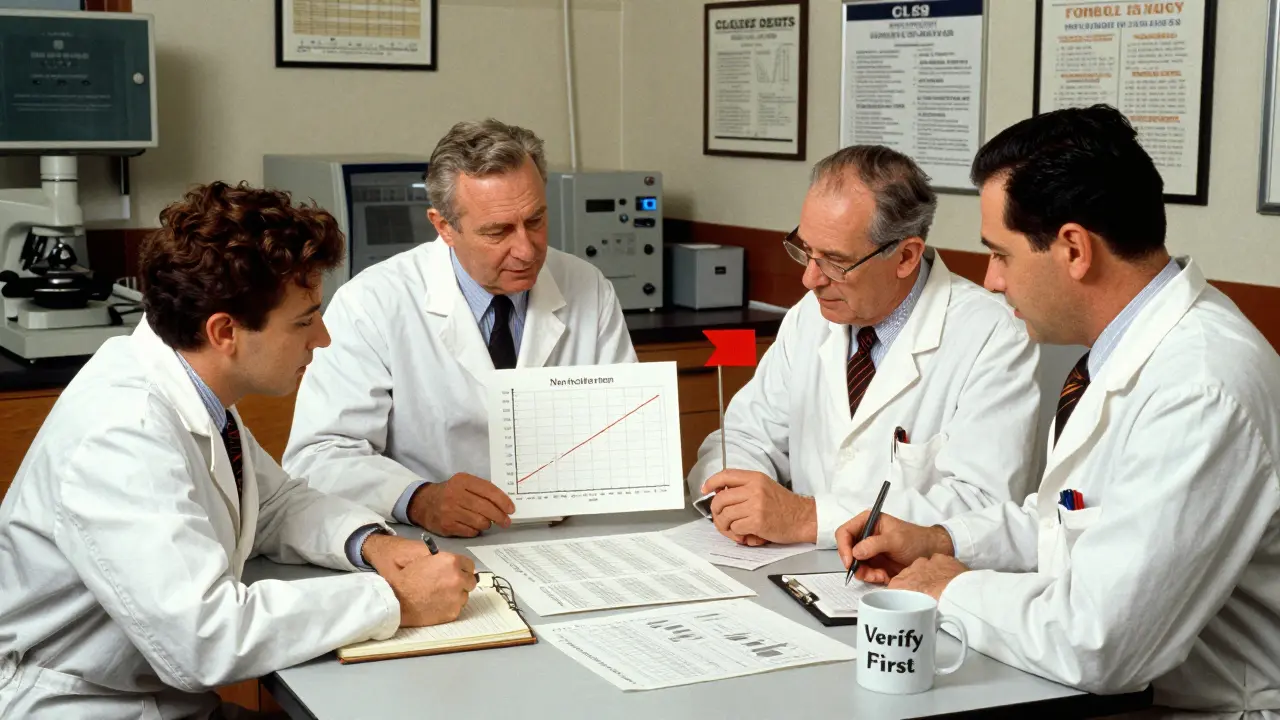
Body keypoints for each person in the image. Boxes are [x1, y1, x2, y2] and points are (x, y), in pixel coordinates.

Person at [838, 105, 1280, 717]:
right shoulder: (1125, 352)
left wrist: (950, 587)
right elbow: (1069, 525)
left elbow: (1101, 642)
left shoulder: (1200, 388)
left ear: (1073, 248)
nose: (992, 281)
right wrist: (937, 540)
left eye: (1001, 255)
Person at [0, 182, 478, 719]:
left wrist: (370, 544)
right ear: (225, 331)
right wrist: (394, 599)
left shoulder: (193, 387)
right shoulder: (122, 434)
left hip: (151, 697)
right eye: (304, 321)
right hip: (76, 705)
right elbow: (205, 638)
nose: (322, 339)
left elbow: (272, 504)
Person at [283, 118, 635, 537]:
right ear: (444, 227)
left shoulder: (588, 286)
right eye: (498, 231)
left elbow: (626, 432)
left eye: (535, 221)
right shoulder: (373, 302)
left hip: (569, 533)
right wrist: (418, 498)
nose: (526, 250)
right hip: (430, 542)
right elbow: (320, 456)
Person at [687, 145, 1041, 549]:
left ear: (906, 256)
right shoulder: (810, 315)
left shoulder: (992, 334)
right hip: (789, 563)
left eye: (835, 261)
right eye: (806, 250)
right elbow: (745, 437)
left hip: (908, 578)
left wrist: (806, 518)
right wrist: (735, 502)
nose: (810, 279)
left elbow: (982, 505)